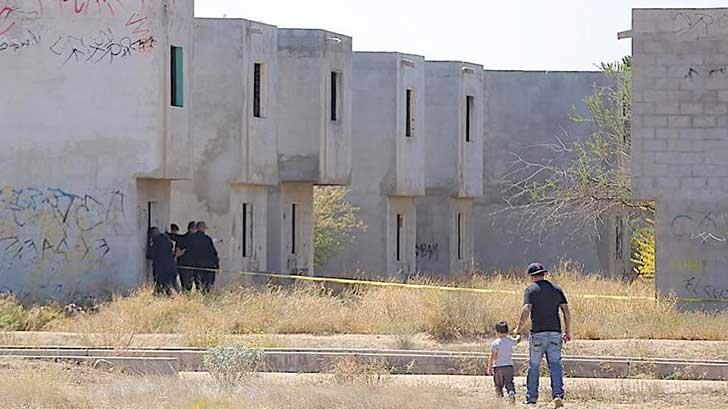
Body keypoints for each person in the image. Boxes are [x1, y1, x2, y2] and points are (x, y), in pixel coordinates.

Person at [514, 262, 572, 408]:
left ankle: (531, 398)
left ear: (532, 276)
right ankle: (558, 395)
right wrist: (568, 331)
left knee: (534, 366)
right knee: (555, 364)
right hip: (555, 332)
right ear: (544, 274)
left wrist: (518, 328)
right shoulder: (556, 289)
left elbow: (526, 309)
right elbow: (566, 311)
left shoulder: (530, 290)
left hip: (538, 333)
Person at [487, 321, 521, 404]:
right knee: (509, 383)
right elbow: (517, 340)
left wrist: (490, 367)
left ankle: (499, 401)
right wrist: (518, 333)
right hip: (509, 367)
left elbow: (492, 356)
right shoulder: (510, 341)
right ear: (507, 331)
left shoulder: (496, 343)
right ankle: (511, 393)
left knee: (498, 386)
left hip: (498, 367)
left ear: (497, 332)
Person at [147, 227, 179, 296]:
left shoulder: (156, 241)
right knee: (173, 285)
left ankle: (159, 297)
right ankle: (179, 298)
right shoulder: (167, 239)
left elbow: (150, 254)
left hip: (161, 268)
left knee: (160, 285)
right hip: (171, 266)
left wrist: (150, 246)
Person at [190, 221, 219, 293]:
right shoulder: (207, 239)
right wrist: (217, 264)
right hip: (208, 266)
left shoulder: (192, 238)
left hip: (196, 266)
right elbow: (213, 253)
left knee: (199, 286)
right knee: (208, 287)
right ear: (202, 228)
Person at [175, 221, 198, 292]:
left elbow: (177, 253)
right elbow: (178, 253)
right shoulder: (196, 240)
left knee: (184, 285)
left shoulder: (181, 239)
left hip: (182, 264)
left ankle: (185, 298)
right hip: (192, 265)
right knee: (189, 285)